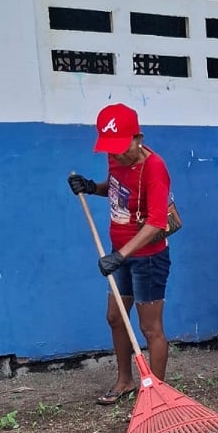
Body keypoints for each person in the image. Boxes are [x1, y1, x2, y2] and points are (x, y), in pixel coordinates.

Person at [67, 103, 172, 405]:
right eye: (110, 148)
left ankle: (156, 393)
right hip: (121, 253)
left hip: (148, 258)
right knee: (115, 317)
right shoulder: (116, 159)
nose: (115, 154)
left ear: (138, 138)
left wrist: (121, 255)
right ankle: (125, 380)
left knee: (150, 327)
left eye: (121, 146)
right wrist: (91, 187)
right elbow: (116, 192)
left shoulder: (154, 168)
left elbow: (156, 221)